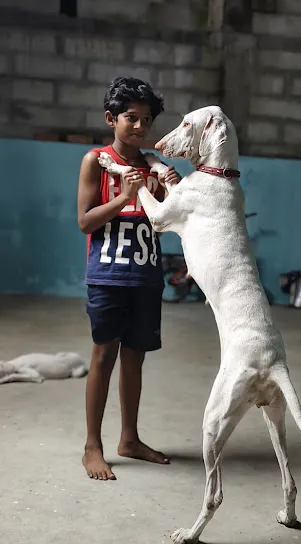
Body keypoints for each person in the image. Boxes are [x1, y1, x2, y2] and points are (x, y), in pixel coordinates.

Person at [77, 76, 181, 481]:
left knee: (135, 358)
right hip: (108, 276)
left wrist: (173, 191)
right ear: (111, 119)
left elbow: (170, 221)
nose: (139, 127)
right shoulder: (96, 160)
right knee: (104, 357)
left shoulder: (153, 164)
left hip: (146, 278)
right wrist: (123, 196)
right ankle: (92, 446)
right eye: (130, 118)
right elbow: (85, 222)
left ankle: (129, 439)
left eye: (147, 120)